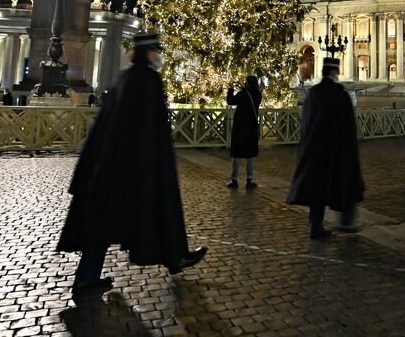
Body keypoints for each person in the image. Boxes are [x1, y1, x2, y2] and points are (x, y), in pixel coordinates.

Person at [58, 32, 207, 297]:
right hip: (134, 165)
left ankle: (87, 278)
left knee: (101, 224)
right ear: (148, 52)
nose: (158, 55)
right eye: (156, 51)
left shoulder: (124, 77)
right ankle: (175, 257)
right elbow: (152, 127)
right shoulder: (148, 80)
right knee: (158, 210)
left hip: (109, 164)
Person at [287, 56, 365, 238]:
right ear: (334, 72)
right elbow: (348, 127)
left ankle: (315, 226)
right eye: (337, 72)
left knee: (317, 190)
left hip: (314, 151)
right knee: (344, 184)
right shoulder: (340, 94)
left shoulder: (313, 93)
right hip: (336, 150)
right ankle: (346, 221)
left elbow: (305, 123)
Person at [226, 76, 262, 189]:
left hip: (240, 127)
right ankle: (249, 180)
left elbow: (230, 101)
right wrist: (244, 89)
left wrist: (231, 89)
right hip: (251, 127)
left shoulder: (242, 95)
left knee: (236, 154)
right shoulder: (258, 95)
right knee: (250, 155)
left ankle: (234, 180)